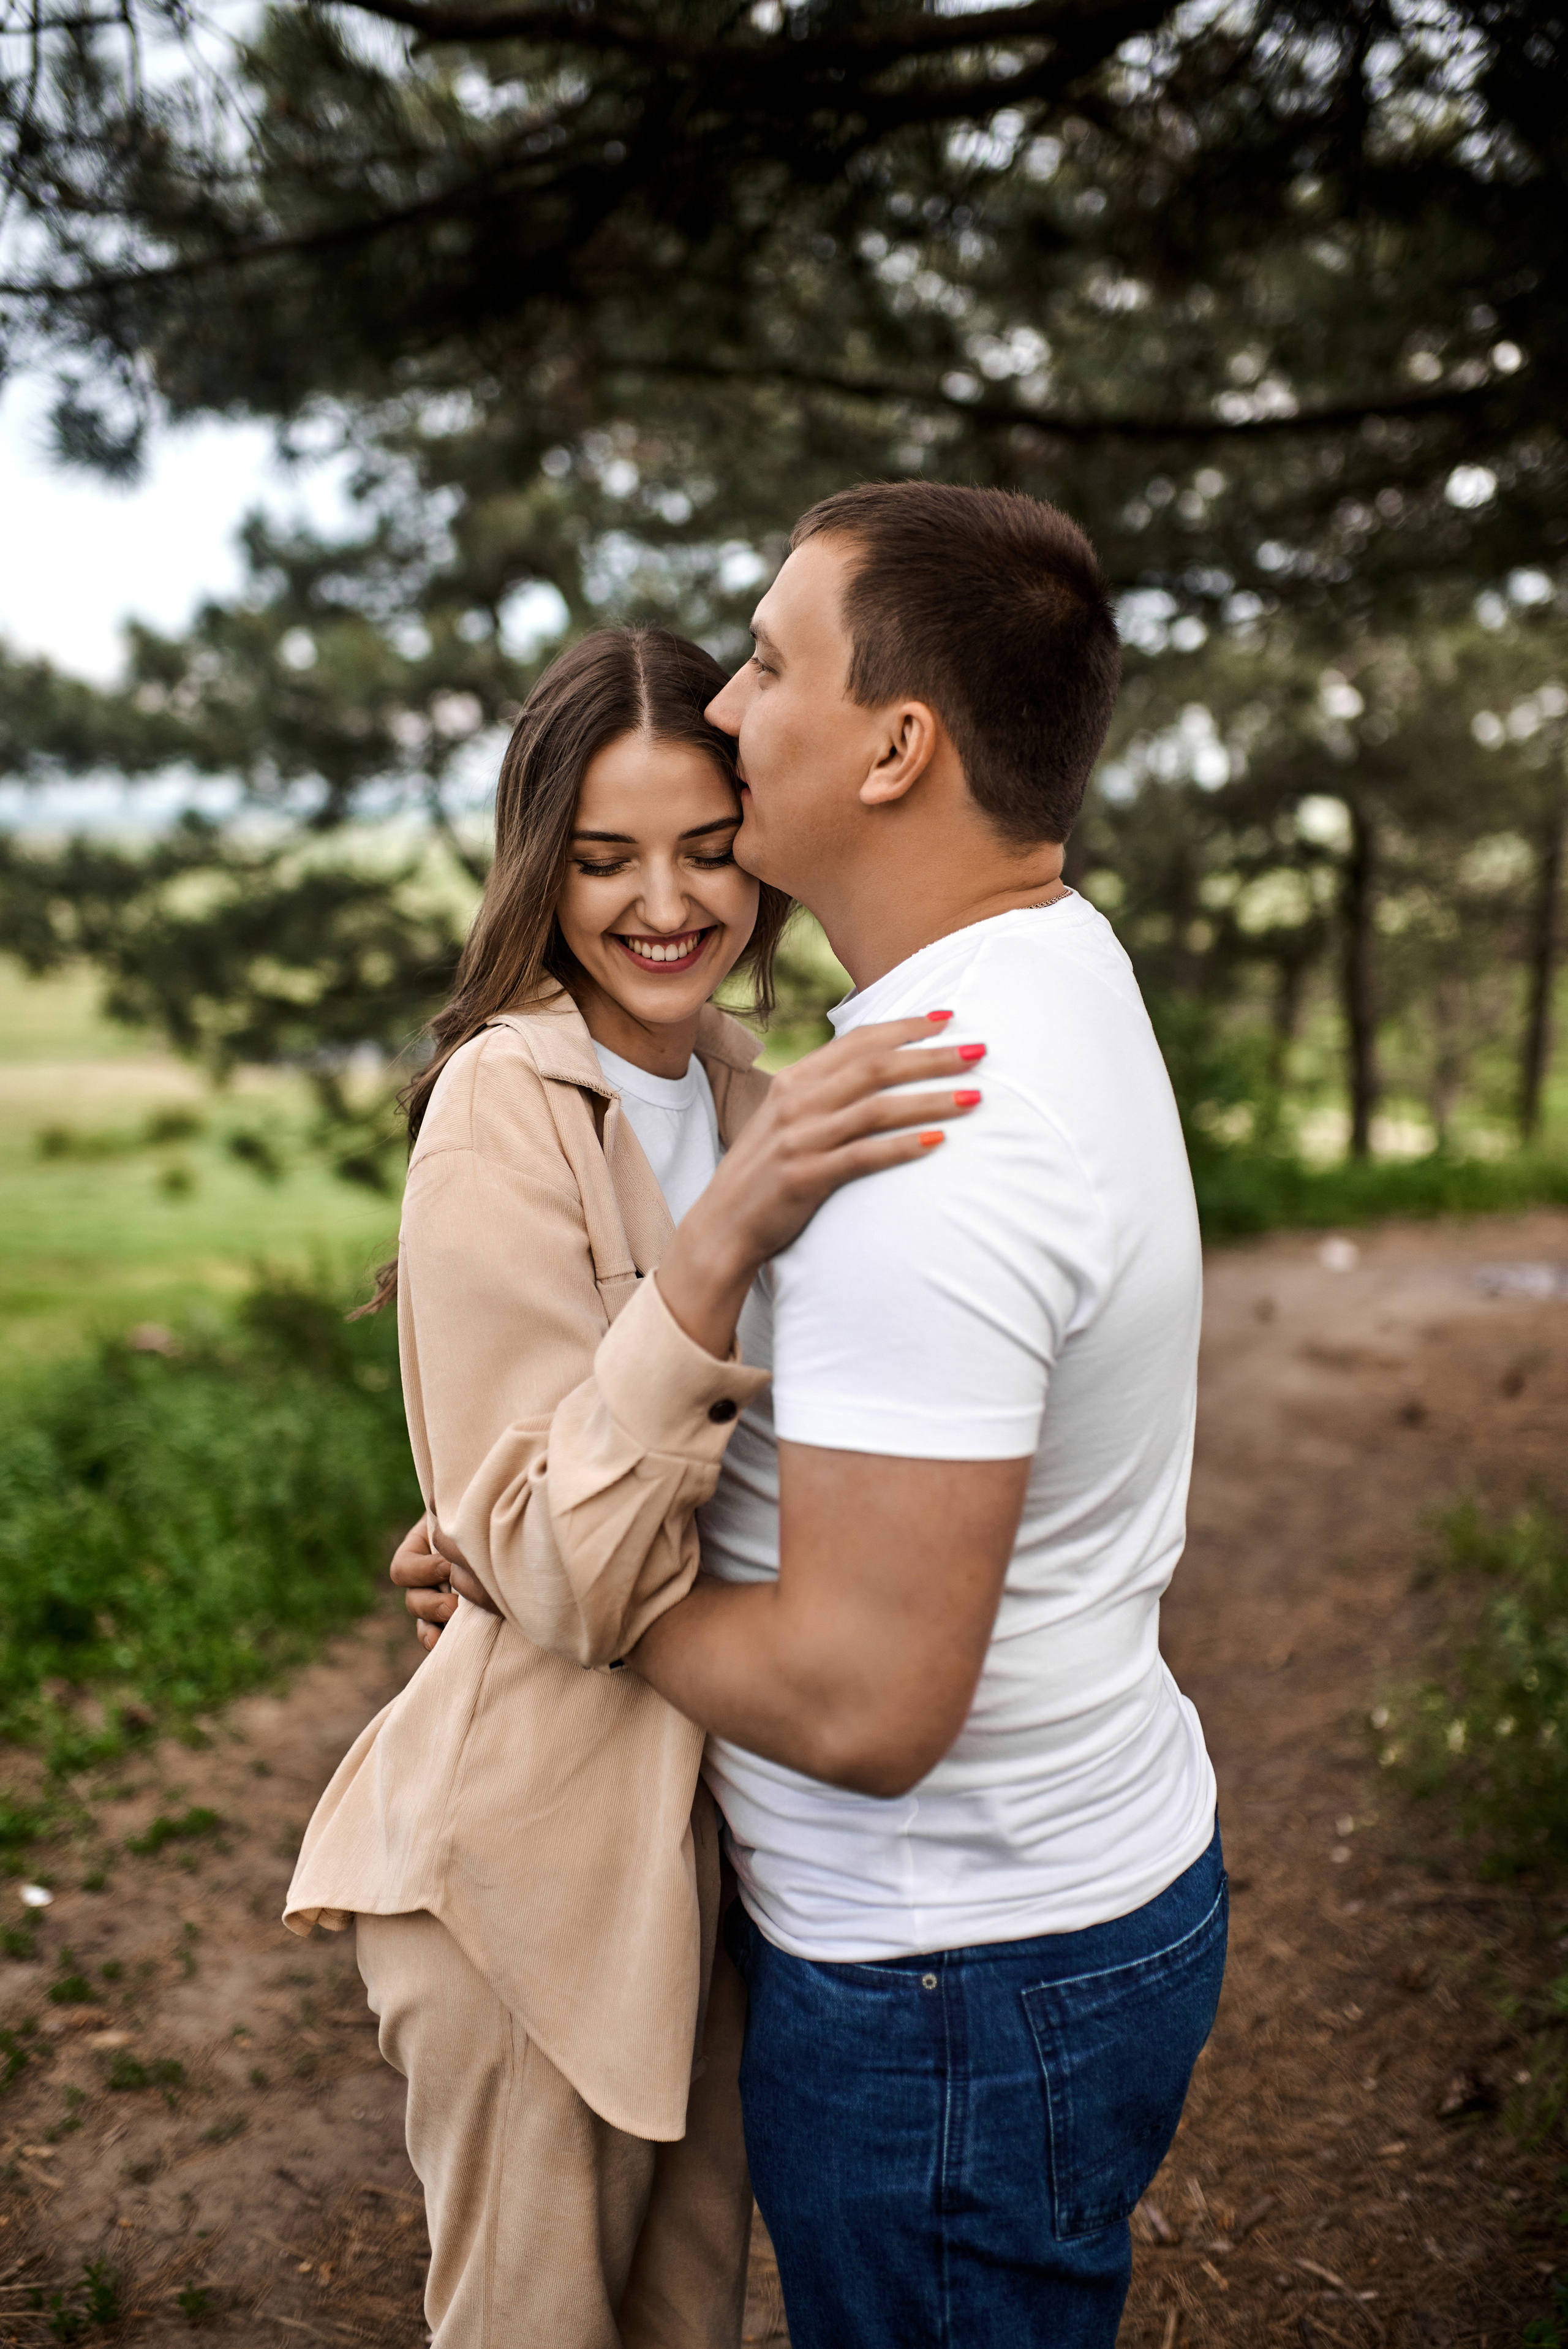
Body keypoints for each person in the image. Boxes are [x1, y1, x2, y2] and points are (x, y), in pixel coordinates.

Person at [407, 482, 1224, 2348]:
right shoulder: (1043, 977)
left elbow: (865, 1700)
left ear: (898, 745)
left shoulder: (905, 1122)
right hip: (975, 1905)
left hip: (950, 1967)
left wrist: (546, 1577)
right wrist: (512, 1519)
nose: (733, 699)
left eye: (771, 663)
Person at [282, 624, 978, 2349]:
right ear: (543, 868)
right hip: (530, 1880)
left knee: (686, 2324)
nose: (665, 904)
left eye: (708, 847)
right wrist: (724, 1242)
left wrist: (497, 1538)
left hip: (708, 1871)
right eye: (605, 860)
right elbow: (572, 1572)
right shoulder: (504, 1104)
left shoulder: (744, 1088)